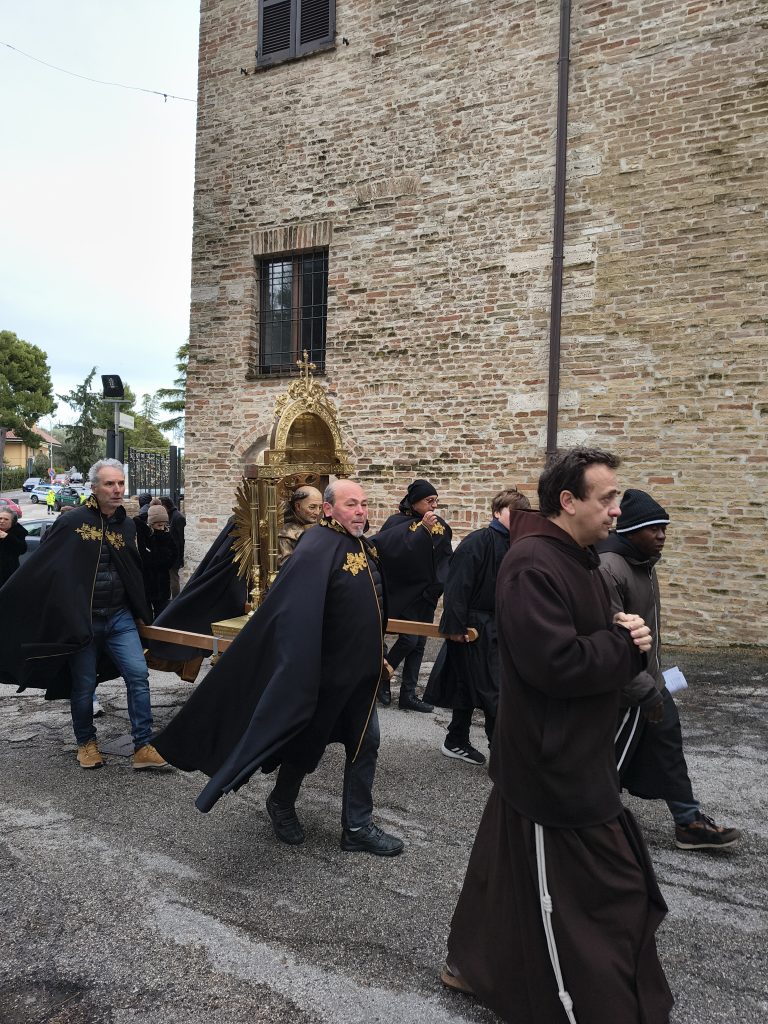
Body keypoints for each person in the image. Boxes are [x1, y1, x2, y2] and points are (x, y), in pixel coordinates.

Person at [442, 447, 673, 1024]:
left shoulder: (579, 557)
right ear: (568, 501)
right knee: (613, 888)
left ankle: (471, 963)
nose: (617, 509)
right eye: (607, 498)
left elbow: (577, 632)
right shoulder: (532, 564)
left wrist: (619, 626)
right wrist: (625, 646)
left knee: (503, 871)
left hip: (566, 752)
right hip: (553, 764)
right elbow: (555, 662)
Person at [152, 479, 403, 857]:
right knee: (305, 745)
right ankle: (282, 802)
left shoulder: (362, 545)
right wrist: (299, 667)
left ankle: (356, 827)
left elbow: (369, 607)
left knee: (365, 745)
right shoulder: (316, 547)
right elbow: (294, 613)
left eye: (364, 504)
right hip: (323, 676)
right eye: (352, 504)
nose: (361, 511)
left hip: (360, 675)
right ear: (329, 509)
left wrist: (377, 653)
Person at [0, 458, 169, 772]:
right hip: (83, 620)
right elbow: (46, 565)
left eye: (120, 483)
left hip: (119, 617)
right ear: (94, 487)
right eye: (109, 483)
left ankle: (143, 745)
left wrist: (141, 610)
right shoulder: (72, 522)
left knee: (138, 676)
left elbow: (133, 570)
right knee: (84, 685)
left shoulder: (127, 525)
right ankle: (86, 743)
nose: (117, 489)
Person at [599, 488, 741, 851]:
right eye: (654, 529)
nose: (662, 535)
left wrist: (656, 681)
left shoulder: (644, 564)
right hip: (623, 691)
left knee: (668, 748)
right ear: (631, 530)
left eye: (664, 528)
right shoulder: (609, 568)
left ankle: (688, 822)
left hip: (652, 681)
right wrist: (639, 689)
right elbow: (610, 641)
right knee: (607, 761)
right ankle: (591, 828)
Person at [424, 488, 531, 765]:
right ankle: (502, 753)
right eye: (513, 512)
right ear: (496, 512)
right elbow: (458, 585)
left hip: (502, 627)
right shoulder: (479, 541)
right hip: (474, 628)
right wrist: (456, 627)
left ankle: (456, 739)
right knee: (490, 689)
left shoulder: (520, 545)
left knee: (473, 685)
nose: (518, 518)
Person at [372, 479, 453, 711]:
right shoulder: (395, 522)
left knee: (419, 644)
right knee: (409, 639)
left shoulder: (439, 525)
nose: (434, 505)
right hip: (402, 591)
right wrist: (422, 531)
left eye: (436, 500)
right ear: (415, 501)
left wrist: (439, 584)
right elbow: (389, 552)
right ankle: (383, 677)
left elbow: (444, 556)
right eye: (429, 500)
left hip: (427, 594)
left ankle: (408, 694)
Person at [135, 499, 178, 621]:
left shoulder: (166, 535)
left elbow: (172, 557)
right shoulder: (144, 536)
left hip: (162, 585)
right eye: (159, 525)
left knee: (162, 618)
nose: (162, 528)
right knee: (147, 618)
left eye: (164, 525)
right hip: (146, 584)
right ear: (151, 523)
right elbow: (146, 559)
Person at [277, 485, 323, 567]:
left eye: (320, 507)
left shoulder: (321, 528)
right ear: (298, 506)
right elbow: (286, 566)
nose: (317, 512)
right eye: (312, 507)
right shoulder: (286, 535)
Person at [159, 496, 186, 597]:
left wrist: (180, 557)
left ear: (165, 505)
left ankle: (175, 600)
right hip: (168, 553)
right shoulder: (169, 516)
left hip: (175, 554)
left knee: (173, 578)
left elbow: (181, 539)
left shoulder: (178, 517)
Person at [0, 509, 27, 586]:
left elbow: (22, 549)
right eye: (0, 518)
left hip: (7, 572)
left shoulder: (17, 532)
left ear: (12, 522)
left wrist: (8, 537)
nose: (2, 521)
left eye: (6, 519)